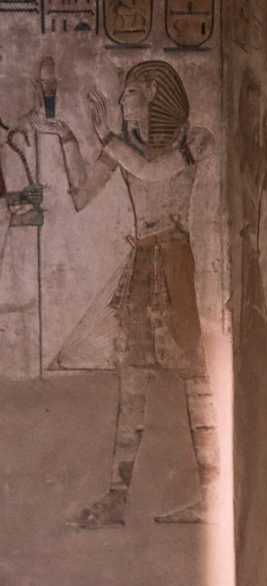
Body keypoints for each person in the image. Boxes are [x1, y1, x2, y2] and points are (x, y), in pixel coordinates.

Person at [30, 60, 217, 527]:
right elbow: (80, 194)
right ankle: (117, 497)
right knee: (131, 376)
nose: (119, 103)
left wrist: (104, 138)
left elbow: (153, 175)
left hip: (173, 261)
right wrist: (68, 137)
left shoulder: (194, 140)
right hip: (142, 265)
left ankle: (213, 496)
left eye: (128, 93)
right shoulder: (123, 147)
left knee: (193, 374)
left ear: (153, 93)